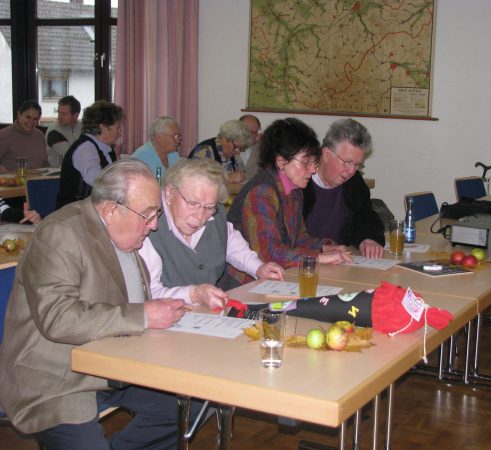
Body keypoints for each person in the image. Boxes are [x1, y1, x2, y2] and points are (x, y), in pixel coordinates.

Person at [0, 159, 196, 449]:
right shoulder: (60, 235)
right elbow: (58, 318)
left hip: (111, 366)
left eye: (156, 214)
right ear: (111, 209)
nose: (154, 225)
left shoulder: (126, 236)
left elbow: (131, 305)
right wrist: (144, 315)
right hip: (58, 377)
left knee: (184, 411)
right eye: (147, 214)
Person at [139, 158, 284, 301]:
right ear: (170, 192)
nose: (200, 217)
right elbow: (150, 293)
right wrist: (193, 294)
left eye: (208, 207)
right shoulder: (148, 228)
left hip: (205, 316)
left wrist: (258, 268)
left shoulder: (215, 214)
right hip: (164, 318)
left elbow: (229, 240)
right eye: (192, 203)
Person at [227, 117, 352, 268]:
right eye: (306, 162)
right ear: (281, 161)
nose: (313, 170)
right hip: (245, 284)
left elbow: (297, 238)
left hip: (276, 277)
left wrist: (325, 247)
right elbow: (268, 253)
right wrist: (318, 257)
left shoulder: (294, 189)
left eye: (314, 162)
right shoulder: (261, 193)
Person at [303, 118, 385, 258]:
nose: (351, 171)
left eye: (357, 164)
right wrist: (322, 249)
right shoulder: (301, 182)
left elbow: (365, 218)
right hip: (304, 264)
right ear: (327, 154)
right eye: (347, 162)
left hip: (341, 263)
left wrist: (367, 239)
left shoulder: (353, 183)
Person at [55, 100, 122, 209]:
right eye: (117, 128)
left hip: (92, 212)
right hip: (73, 215)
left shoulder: (106, 148)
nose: (119, 132)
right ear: (104, 127)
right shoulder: (85, 147)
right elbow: (94, 178)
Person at [188, 119, 252, 183]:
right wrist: (228, 177)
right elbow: (199, 180)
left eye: (241, 148)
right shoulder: (204, 150)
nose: (238, 152)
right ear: (225, 138)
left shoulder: (230, 153)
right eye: (236, 147)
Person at [0, 100, 48, 173]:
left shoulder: (40, 135)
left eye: (35, 119)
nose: (31, 122)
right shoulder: (4, 135)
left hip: (39, 181)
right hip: (13, 182)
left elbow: (45, 164)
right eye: (28, 117)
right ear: (19, 114)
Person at [45, 95, 82, 167]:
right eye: (58, 112)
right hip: (57, 173)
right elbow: (70, 156)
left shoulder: (83, 127)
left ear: (75, 115)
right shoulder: (53, 130)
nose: (59, 117)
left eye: (64, 114)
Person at [238, 114, 261, 178]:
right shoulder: (229, 146)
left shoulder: (261, 146)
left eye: (255, 132)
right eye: (250, 132)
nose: (253, 136)